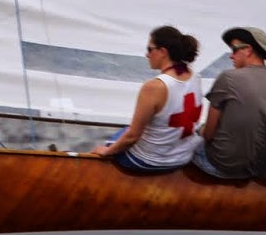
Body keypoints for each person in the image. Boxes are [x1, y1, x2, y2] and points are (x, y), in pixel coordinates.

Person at [86, 25, 203, 173]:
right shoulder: (195, 76)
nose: (146, 54)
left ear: (162, 52)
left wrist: (106, 151)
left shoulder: (154, 87)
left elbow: (132, 137)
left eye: (149, 49)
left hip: (150, 161)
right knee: (124, 132)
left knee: (115, 141)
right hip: (183, 156)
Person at [192, 25, 266, 179]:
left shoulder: (228, 77)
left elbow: (209, 134)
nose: (231, 56)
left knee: (193, 136)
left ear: (248, 50)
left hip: (223, 166)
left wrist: (200, 131)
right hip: (261, 167)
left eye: (234, 49)